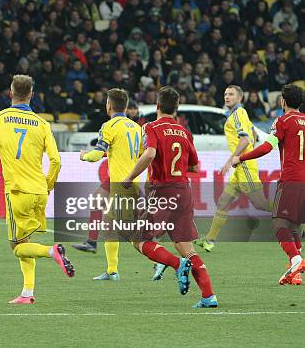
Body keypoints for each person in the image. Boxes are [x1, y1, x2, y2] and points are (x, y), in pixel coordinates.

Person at [0, 74, 74, 305]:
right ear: (32, 95)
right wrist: (48, 185)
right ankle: (27, 292)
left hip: (17, 191)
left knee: (17, 247)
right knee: (25, 241)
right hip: (40, 191)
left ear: (10, 93)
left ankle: (52, 252)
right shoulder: (42, 124)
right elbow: (56, 161)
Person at [123, 86, 217, 308]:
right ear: (176, 109)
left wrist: (129, 177)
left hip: (163, 191)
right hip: (184, 191)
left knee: (139, 240)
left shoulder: (151, 127)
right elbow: (194, 166)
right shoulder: (185, 132)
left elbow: (150, 153)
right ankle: (208, 296)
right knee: (188, 247)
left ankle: (176, 265)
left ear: (157, 106)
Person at [231, 84, 305, 285]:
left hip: (291, 180)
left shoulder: (283, 121)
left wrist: (242, 157)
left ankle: (296, 260)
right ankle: (295, 273)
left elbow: (266, 147)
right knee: (294, 224)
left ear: (283, 101)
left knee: (279, 222)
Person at [195, 86, 271, 252]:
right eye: (225, 94)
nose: (227, 97)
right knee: (223, 201)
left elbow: (244, 140)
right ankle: (209, 240)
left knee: (261, 204)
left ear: (239, 98)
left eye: (231, 94)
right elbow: (252, 135)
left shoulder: (237, 114)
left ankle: (296, 214)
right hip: (240, 167)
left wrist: (230, 160)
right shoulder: (240, 114)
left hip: (245, 165)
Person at [78, 88, 143, 281]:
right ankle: (111, 270)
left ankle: (164, 263)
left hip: (121, 183)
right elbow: (139, 154)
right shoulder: (135, 127)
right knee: (111, 224)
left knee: (129, 232)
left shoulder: (109, 126)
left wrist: (84, 156)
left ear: (109, 105)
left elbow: (96, 155)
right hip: (133, 181)